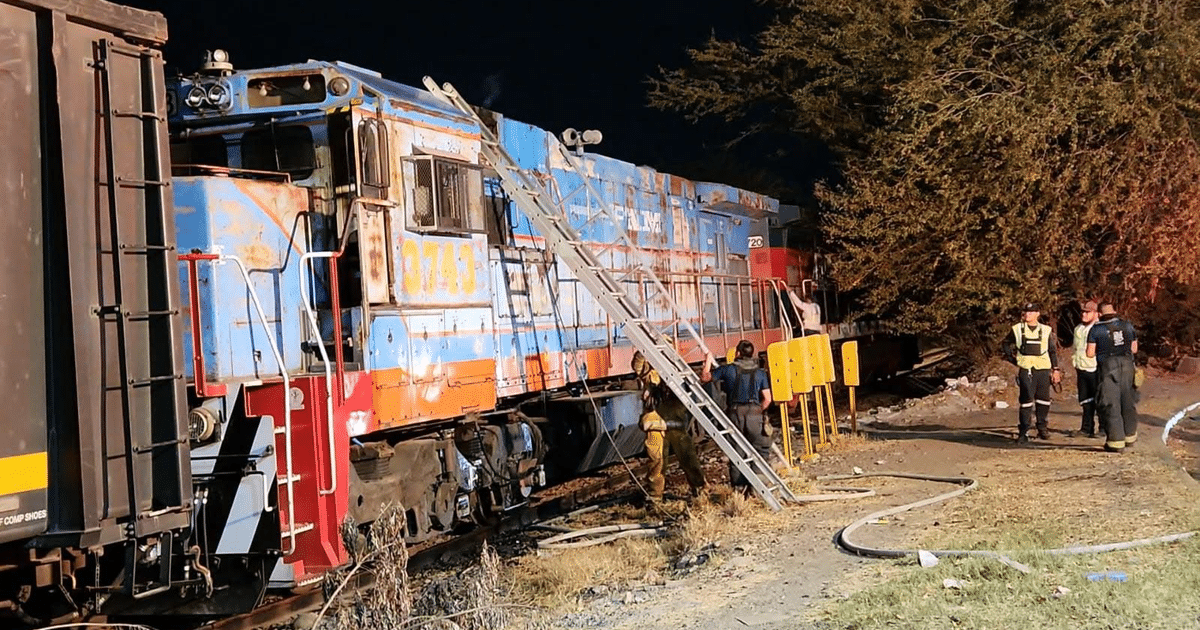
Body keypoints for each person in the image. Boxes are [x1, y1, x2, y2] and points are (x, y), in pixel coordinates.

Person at [631, 350, 707, 500]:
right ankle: (655, 496)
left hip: (675, 425)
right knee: (656, 462)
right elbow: (637, 366)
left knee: (688, 458)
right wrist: (643, 350)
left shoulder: (678, 372)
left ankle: (699, 490)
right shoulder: (651, 373)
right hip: (656, 427)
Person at [700, 340, 773, 493]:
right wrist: (758, 411)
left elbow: (705, 378)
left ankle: (739, 489)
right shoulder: (760, 373)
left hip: (735, 413)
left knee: (737, 451)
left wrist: (708, 360)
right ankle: (757, 490)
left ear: (738, 353)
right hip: (754, 413)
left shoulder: (727, 370)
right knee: (760, 450)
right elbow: (768, 399)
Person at [1002, 303, 1061, 443]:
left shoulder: (1046, 330)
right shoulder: (1016, 329)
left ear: (1037, 314)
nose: (1027, 314)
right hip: (1026, 369)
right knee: (1026, 400)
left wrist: (1056, 369)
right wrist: (1012, 358)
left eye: (1031, 312)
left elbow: (1052, 351)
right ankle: (1023, 431)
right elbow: (1005, 343)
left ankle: (1042, 428)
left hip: (1043, 369)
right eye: (1026, 312)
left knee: (1043, 400)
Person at [1086, 303, 1138, 452]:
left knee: (1110, 402)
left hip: (1108, 367)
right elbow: (1134, 348)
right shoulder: (1127, 325)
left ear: (1099, 314)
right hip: (1127, 365)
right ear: (1115, 311)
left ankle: (1116, 441)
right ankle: (1130, 436)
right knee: (1128, 400)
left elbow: (1090, 353)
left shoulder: (1096, 329)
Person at [1072, 301, 1100, 438]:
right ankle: (1086, 428)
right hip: (1081, 368)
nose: (1084, 314)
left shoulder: (1099, 328)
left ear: (1096, 313)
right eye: (1083, 312)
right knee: (1085, 400)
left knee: (1100, 399)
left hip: (1095, 368)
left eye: (1087, 312)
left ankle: (1104, 428)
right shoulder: (1078, 328)